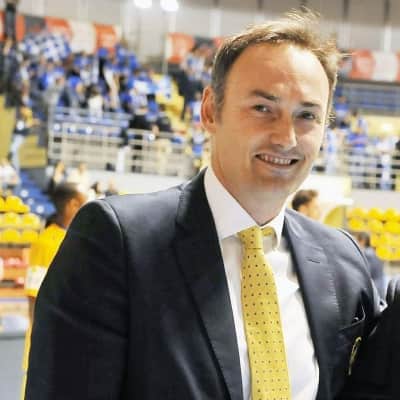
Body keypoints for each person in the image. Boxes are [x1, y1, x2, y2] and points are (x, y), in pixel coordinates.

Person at [26, 10, 381, 400]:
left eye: (307, 116)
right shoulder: (117, 244)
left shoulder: (342, 262)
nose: (286, 137)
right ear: (210, 110)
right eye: (263, 108)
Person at [22, 182, 88, 398]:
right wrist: (41, 344)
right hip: (47, 342)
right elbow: (34, 297)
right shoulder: (46, 242)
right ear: (72, 205)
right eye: (83, 203)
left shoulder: (76, 238)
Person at [354, 231, 386, 299]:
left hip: (374, 291)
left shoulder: (367, 254)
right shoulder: (373, 252)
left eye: (357, 241)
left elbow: (365, 274)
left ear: (362, 241)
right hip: (379, 288)